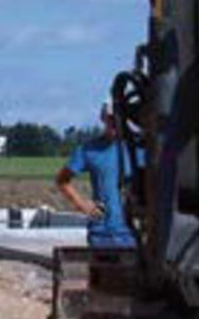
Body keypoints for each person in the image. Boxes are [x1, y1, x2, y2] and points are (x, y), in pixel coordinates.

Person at [56, 105, 141, 248]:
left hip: (131, 233)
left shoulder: (137, 150)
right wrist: (82, 204)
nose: (115, 123)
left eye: (119, 119)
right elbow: (62, 180)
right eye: (111, 119)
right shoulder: (88, 150)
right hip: (100, 233)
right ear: (103, 119)